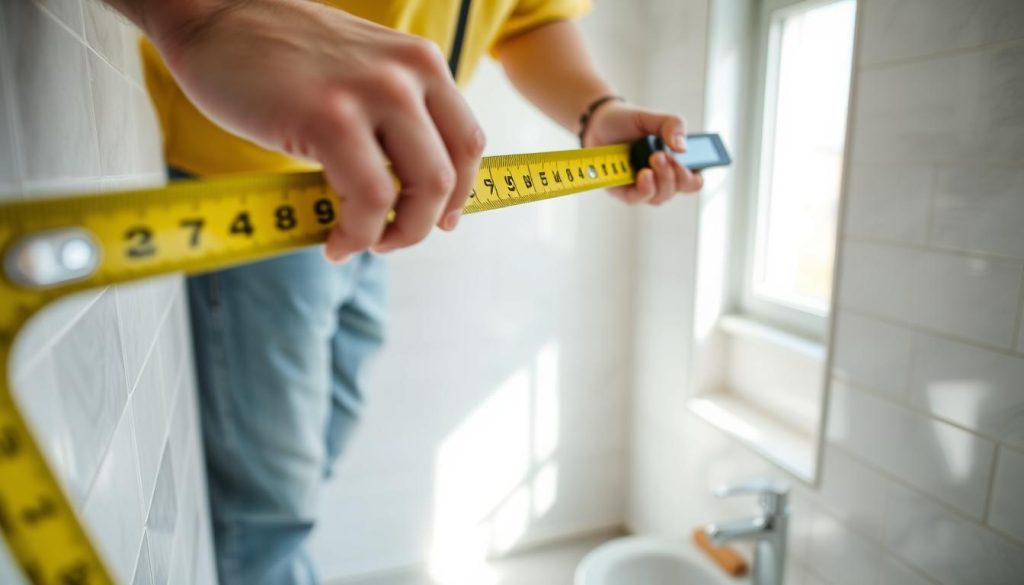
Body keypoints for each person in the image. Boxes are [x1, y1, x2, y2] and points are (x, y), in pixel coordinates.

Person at [106, 0, 704, 583]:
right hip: (254, 173)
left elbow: (530, 15)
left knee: (317, 440)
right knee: (271, 501)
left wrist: (596, 111)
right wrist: (203, 14)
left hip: (372, 189)